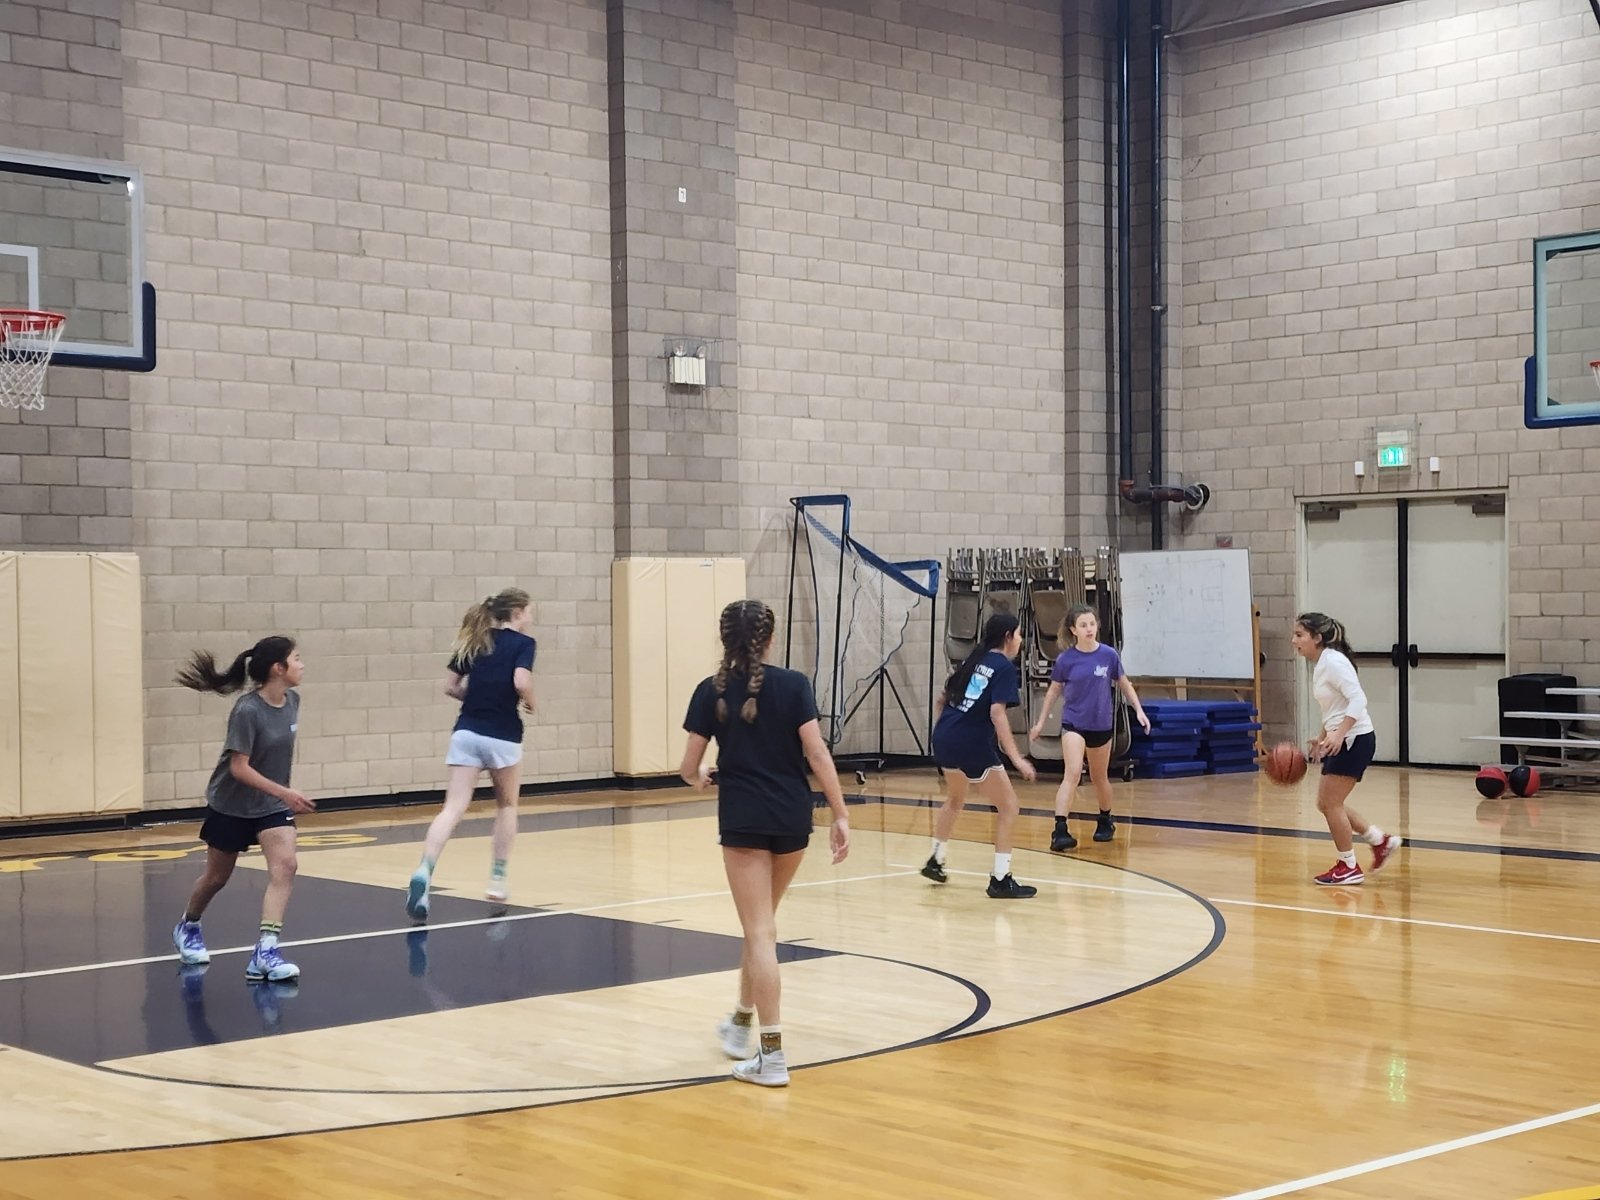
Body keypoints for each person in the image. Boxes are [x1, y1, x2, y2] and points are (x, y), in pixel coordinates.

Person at [681, 599, 850, 1088]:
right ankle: (739, 1022)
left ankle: (771, 1056)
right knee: (762, 929)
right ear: (771, 639)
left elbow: (688, 768)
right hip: (793, 818)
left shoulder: (709, 690)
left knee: (759, 933)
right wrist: (841, 814)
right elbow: (817, 754)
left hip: (744, 818)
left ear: (724, 639)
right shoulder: (795, 684)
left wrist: (701, 776)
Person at [171, 636, 314, 983]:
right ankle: (188, 925)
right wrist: (285, 791)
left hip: (271, 806)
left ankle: (266, 951)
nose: (302, 664)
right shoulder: (247, 710)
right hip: (232, 804)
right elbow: (239, 767)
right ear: (278, 668)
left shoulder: (293, 701)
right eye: (296, 658)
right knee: (217, 878)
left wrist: (280, 796)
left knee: (286, 866)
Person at [407, 588, 537, 920]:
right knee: (506, 805)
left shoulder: (476, 640)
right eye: (529, 612)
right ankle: (497, 880)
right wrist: (531, 702)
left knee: (452, 808)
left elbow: (450, 686)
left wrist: (478, 695)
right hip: (503, 734)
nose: (531, 618)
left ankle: (424, 869)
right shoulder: (523, 644)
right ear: (518, 612)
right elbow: (521, 681)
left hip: (466, 732)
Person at [921, 612, 1039, 898]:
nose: (1021, 640)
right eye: (1019, 634)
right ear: (1008, 636)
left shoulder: (974, 659)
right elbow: (997, 713)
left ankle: (936, 858)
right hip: (970, 742)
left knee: (956, 798)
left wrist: (953, 728)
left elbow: (943, 699)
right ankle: (1000, 879)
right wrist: (1017, 758)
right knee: (1008, 806)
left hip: (944, 735)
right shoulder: (1003, 666)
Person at [1028, 604, 1150, 850]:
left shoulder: (1108, 655)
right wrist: (1040, 722)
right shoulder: (1066, 660)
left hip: (1101, 724)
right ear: (1073, 630)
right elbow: (1053, 691)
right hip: (1074, 723)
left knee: (1099, 777)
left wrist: (1139, 709)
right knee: (1072, 774)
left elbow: (1124, 684)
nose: (1089, 629)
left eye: (1092, 624)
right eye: (1083, 625)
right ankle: (1060, 829)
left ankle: (1105, 819)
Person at [1292, 611, 1402, 885]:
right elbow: (1334, 708)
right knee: (1328, 803)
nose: (1294, 640)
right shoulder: (1322, 663)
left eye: (1299, 635)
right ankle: (1379, 841)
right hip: (1346, 739)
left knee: (1330, 803)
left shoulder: (1334, 662)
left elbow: (1358, 700)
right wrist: (1322, 737)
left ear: (1317, 638)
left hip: (1355, 740)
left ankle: (1349, 866)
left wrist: (1339, 734)